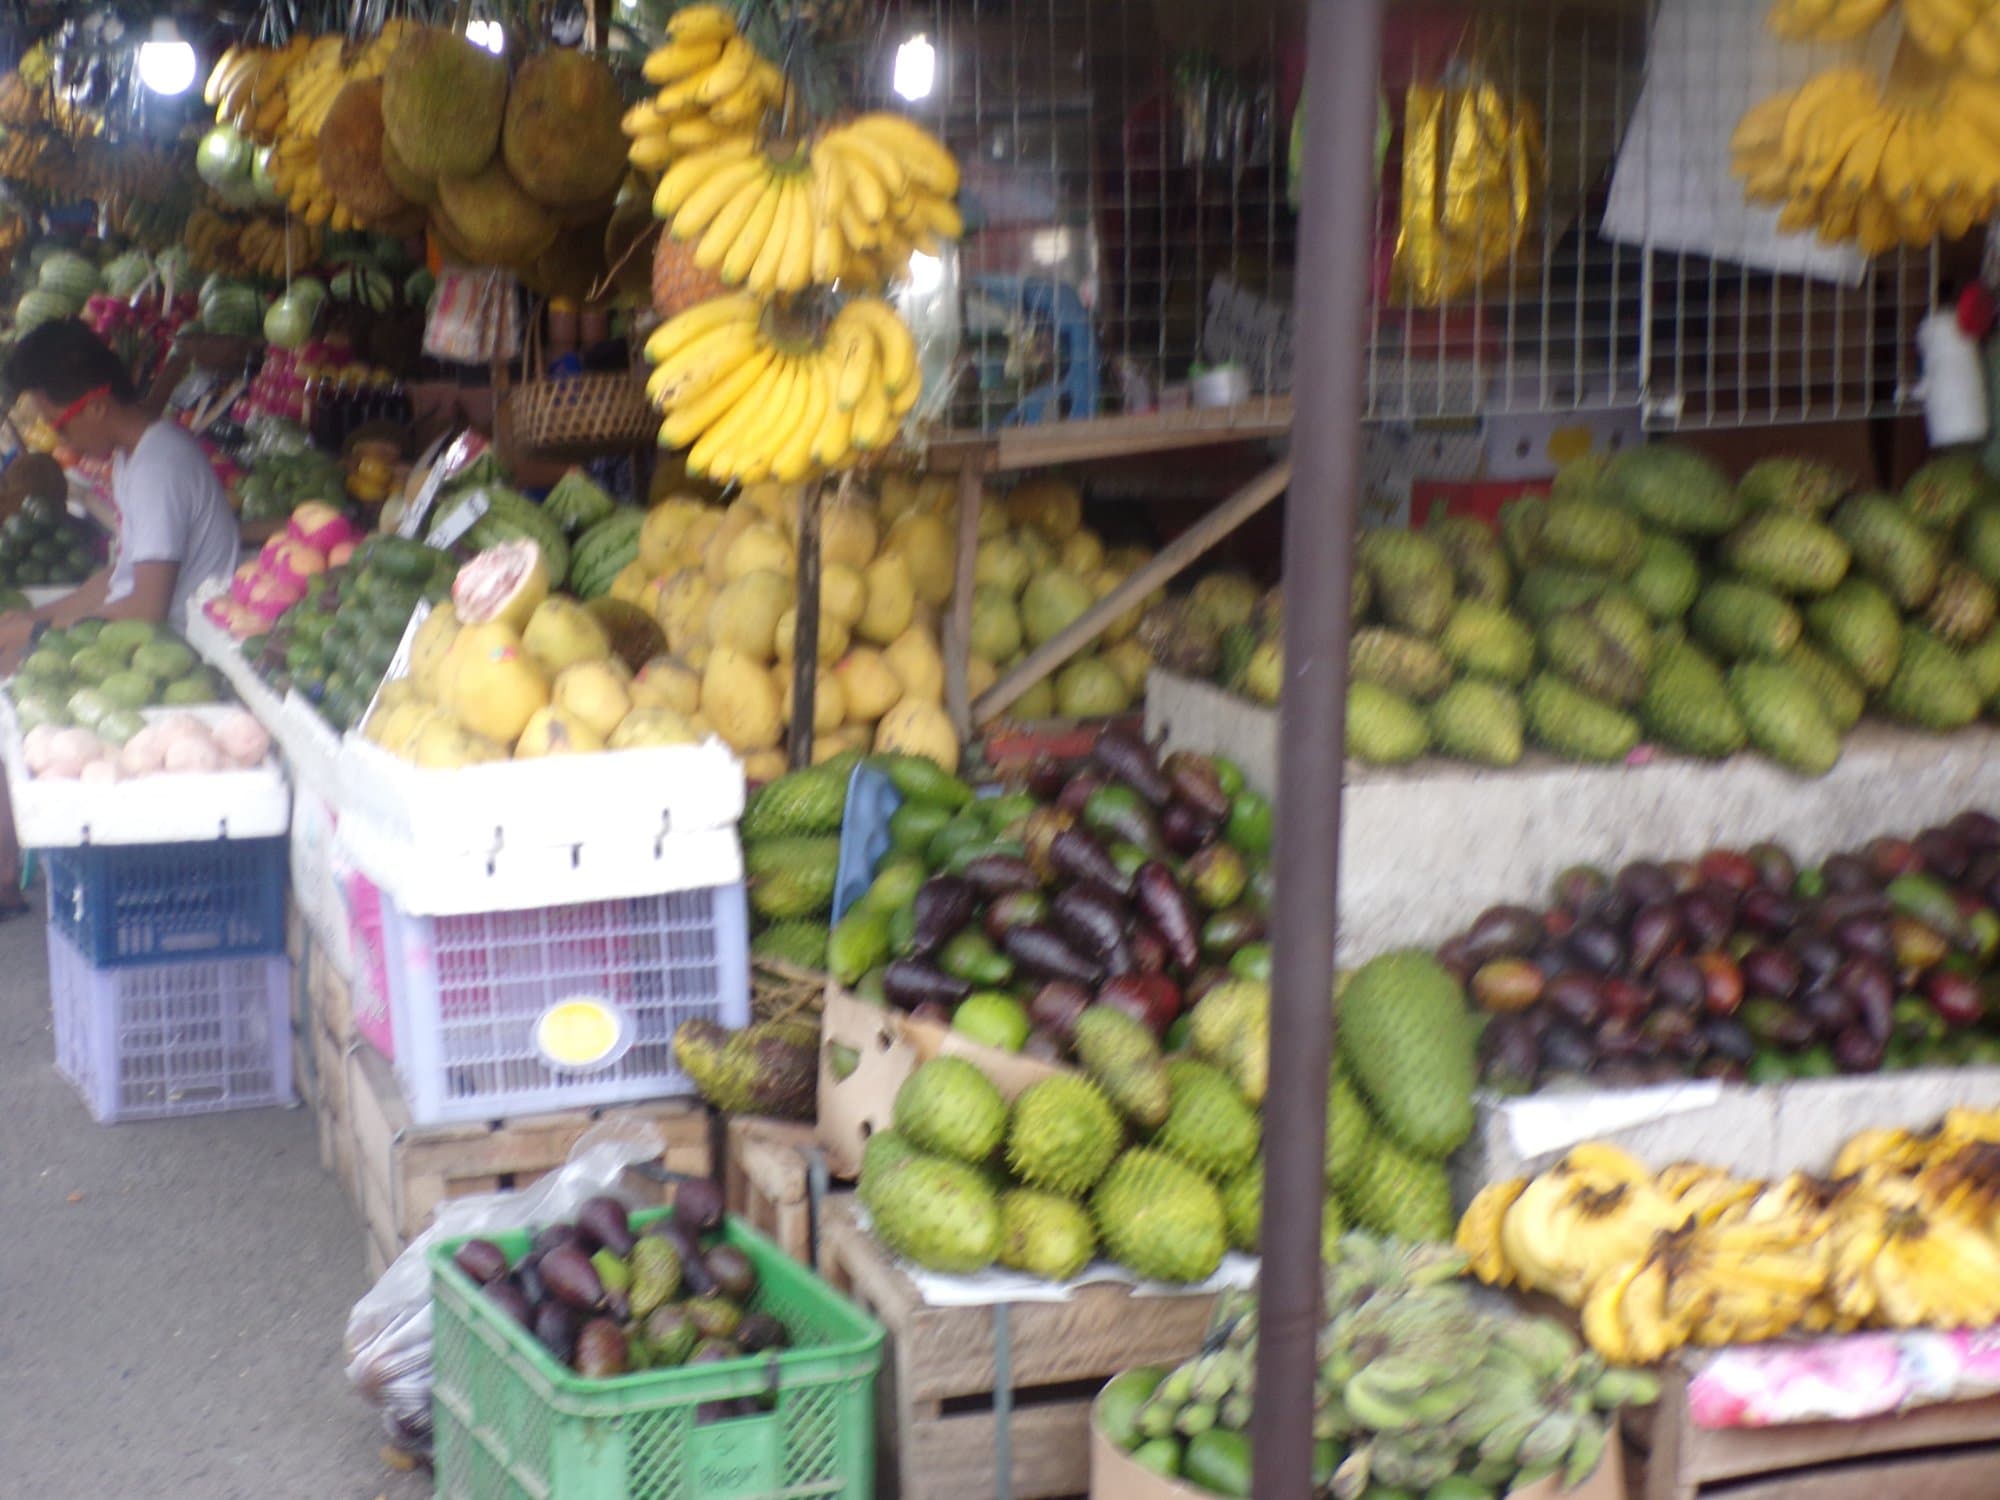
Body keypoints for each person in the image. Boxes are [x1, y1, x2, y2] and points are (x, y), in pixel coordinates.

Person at [0, 318, 242, 912]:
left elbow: (146, 607)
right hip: (143, 638)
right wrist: (38, 618)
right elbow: (115, 579)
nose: (60, 440)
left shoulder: (159, 465)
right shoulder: (135, 458)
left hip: (174, 658)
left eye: (58, 424)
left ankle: (5, 878)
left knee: (14, 687)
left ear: (98, 406)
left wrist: (32, 630)